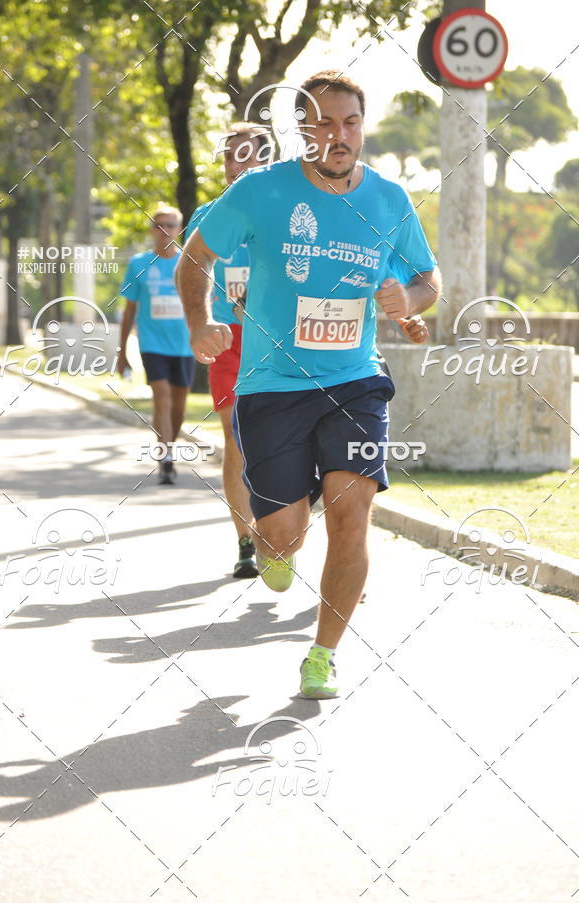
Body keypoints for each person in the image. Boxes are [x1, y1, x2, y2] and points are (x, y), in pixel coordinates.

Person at [177, 70, 441, 699]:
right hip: (270, 385)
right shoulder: (260, 192)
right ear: (301, 129)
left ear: (362, 126)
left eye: (349, 121)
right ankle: (277, 541)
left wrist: (409, 302)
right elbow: (194, 257)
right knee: (283, 535)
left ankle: (322, 655)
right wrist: (199, 322)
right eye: (322, 122)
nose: (338, 134)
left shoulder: (389, 200)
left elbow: (428, 283)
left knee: (353, 514)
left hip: (355, 380)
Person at [184, 123, 272, 578]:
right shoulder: (207, 213)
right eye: (228, 158)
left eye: (245, 156)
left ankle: (281, 532)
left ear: (265, 161)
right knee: (236, 442)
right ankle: (245, 542)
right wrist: (203, 322)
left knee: (284, 445)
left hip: (279, 344)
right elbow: (195, 271)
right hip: (229, 344)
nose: (235, 166)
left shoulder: (285, 209)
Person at [118, 204, 194, 485]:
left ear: (180, 229)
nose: (165, 231)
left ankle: (168, 448)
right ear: (152, 229)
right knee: (161, 398)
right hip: (152, 343)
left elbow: (204, 301)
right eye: (160, 225)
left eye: (171, 225)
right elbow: (129, 311)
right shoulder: (139, 264)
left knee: (179, 408)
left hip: (185, 345)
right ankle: (165, 460)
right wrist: (121, 351)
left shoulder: (190, 262)